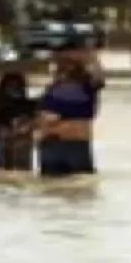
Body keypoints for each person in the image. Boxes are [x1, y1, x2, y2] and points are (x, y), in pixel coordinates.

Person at [33, 43, 104, 177]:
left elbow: (98, 77)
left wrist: (91, 55)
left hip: (74, 144)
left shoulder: (86, 86)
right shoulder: (53, 88)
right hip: (50, 144)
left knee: (79, 186)